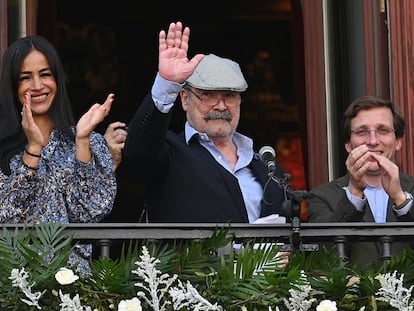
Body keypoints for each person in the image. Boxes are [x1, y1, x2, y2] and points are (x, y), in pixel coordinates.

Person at [124, 21, 286, 223]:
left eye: (229, 95)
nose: (220, 106)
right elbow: (138, 153)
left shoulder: (266, 166)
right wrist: (166, 84)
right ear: (184, 99)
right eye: (207, 95)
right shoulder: (170, 153)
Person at [0, 35, 117, 276]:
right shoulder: (2, 148)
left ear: (57, 79)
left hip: (75, 284)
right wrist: (33, 149)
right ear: (13, 86)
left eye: (45, 74)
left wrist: (82, 140)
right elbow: (7, 216)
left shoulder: (91, 142)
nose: (37, 85)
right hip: (14, 286)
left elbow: (91, 212)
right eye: (25, 77)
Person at [306, 95, 414, 268]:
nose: (372, 141)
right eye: (362, 132)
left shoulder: (410, 190)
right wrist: (354, 192)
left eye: (383, 130)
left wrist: (400, 199)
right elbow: (321, 259)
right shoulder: (321, 196)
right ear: (348, 144)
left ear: (399, 141)